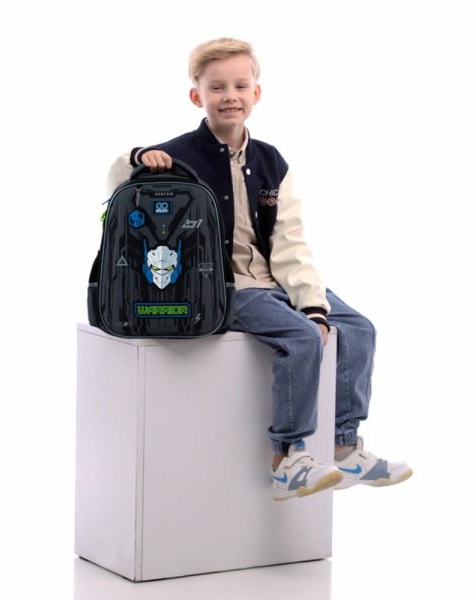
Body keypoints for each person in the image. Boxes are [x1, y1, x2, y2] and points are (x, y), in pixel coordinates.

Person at [106, 37, 412, 500]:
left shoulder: (271, 162)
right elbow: (117, 185)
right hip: (223, 286)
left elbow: (290, 242)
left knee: (359, 328)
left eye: (240, 86)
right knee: (301, 337)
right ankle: (287, 460)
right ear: (197, 96)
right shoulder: (175, 154)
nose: (230, 96)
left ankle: (345, 447)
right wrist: (135, 157)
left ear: (256, 93)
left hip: (271, 281)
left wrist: (312, 304)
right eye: (217, 87)